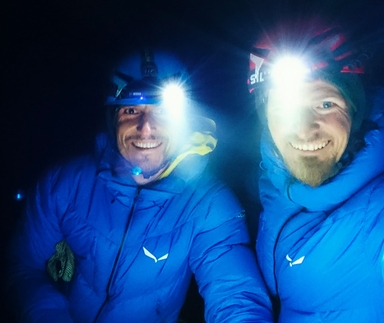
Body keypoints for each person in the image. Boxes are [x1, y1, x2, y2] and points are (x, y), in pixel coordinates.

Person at [5, 48, 274, 323]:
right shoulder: (63, 184)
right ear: (113, 119)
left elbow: (234, 294)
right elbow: (24, 267)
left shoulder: (208, 204)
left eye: (163, 112)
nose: (146, 127)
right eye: (131, 110)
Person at [247, 19, 384, 322]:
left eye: (325, 104)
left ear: (355, 107)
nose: (303, 131)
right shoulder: (276, 182)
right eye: (284, 107)